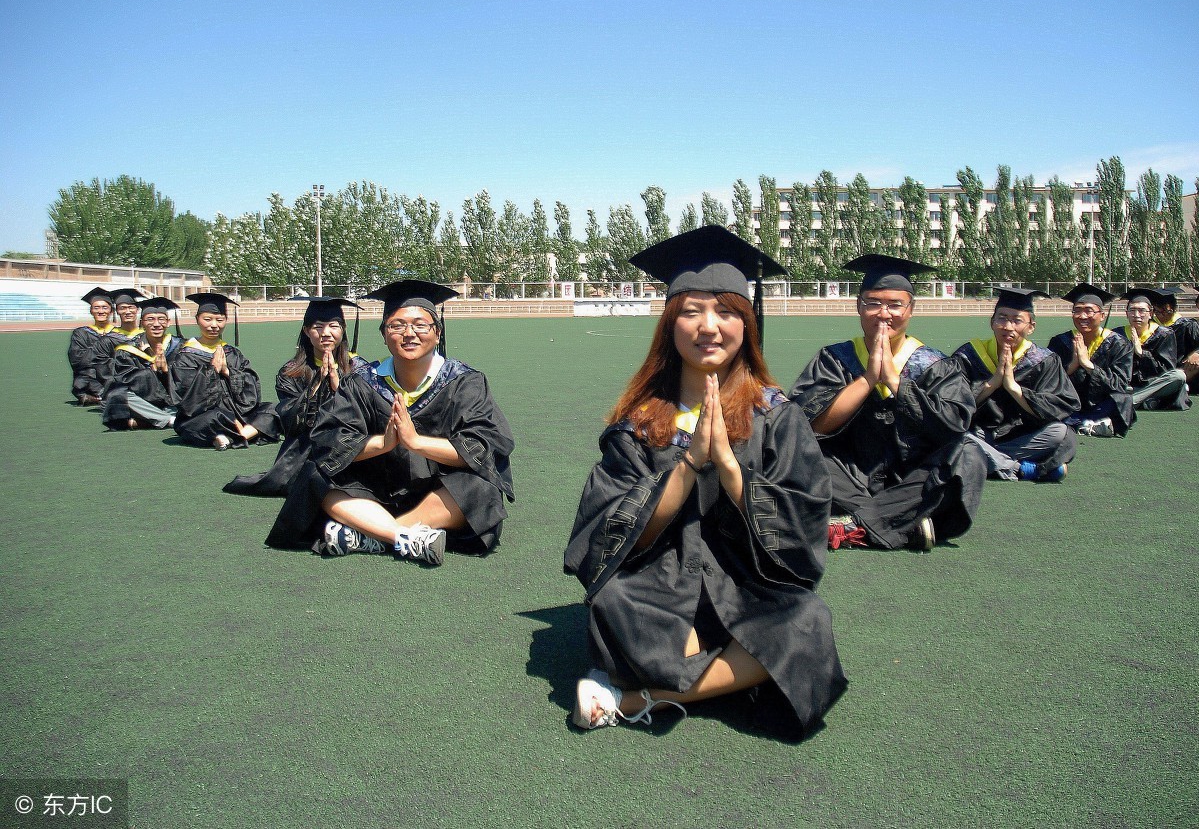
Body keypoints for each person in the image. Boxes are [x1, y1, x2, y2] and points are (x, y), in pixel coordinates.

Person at [565, 225, 846, 739]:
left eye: (726, 312)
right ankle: (723, 675)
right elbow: (605, 535)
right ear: (670, 327)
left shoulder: (778, 419)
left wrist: (731, 469)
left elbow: (801, 538)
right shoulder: (641, 422)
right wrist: (691, 463)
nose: (709, 326)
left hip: (746, 585)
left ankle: (632, 697)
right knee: (614, 603)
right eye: (691, 312)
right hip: (659, 584)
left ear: (748, 324)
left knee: (806, 625)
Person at [265, 280, 515, 565]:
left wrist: (416, 443)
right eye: (397, 326)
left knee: (481, 489)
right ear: (384, 334)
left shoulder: (465, 383)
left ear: (437, 332)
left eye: (420, 325)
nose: (409, 334)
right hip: (372, 492)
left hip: (438, 494)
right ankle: (402, 537)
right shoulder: (362, 382)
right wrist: (383, 443)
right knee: (314, 474)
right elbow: (329, 443)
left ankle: (371, 535)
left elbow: (485, 448)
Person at [789, 253, 985, 552]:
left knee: (968, 451)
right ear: (858, 306)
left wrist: (896, 382)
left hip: (914, 482)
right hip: (849, 479)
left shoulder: (934, 365)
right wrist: (868, 380)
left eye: (895, 304)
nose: (884, 313)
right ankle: (904, 524)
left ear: (911, 309)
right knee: (795, 446)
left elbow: (951, 426)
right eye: (873, 303)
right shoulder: (834, 359)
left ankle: (856, 526)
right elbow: (808, 424)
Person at [224, 296, 365, 497]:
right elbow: (291, 421)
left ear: (343, 330)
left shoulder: (358, 368)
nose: (326, 333)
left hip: (351, 445)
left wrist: (339, 388)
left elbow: (367, 417)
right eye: (318, 327)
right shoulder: (290, 372)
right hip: (307, 448)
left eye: (334, 326)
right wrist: (317, 384)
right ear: (307, 331)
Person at [952, 287, 1079, 482]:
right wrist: (992, 384)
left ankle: (986, 458)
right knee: (954, 437)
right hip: (977, 433)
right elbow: (951, 406)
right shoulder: (969, 355)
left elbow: (1059, 407)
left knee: (1061, 433)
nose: (1008, 326)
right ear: (992, 322)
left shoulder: (1043, 360)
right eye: (1002, 318)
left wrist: (1014, 388)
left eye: (1017, 320)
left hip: (1021, 438)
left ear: (1031, 327)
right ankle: (1020, 469)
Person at [172, 292, 274, 449]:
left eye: (220, 320)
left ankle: (232, 436)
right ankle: (244, 433)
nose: (214, 325)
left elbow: (251, 387)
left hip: (236, 411)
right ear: (197, 320)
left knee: (273, 409)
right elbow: (186, 398)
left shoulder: (231, 352)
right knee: (211, 419)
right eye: (207, 319)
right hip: (203, 415)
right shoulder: (185, 356)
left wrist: (227, 372)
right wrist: (211, 370)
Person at [1048, 283, 1136, 438]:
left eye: (1089, 311)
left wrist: (1089, 366)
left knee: (1123, 399)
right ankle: (1090, 425)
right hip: (1069, 404)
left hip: (1102, 404)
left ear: (1102, 316)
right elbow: (1049, 382)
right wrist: (1073, 365)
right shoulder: (1061, 341)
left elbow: (1120, 384)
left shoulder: (1118, 344)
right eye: (1077, 310)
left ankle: (1079, 424)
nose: (1082, 316)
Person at [101, 297, 183, 430]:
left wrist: (167, 370)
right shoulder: (128, 349)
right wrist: (153, 371)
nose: (156, 324)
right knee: (117, 395)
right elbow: (124, 379)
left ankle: (149, 420)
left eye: (161, 319)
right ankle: (168, 419)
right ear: (142, 323)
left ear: (168, 322)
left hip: (171, 400)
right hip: (143, 401)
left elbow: (186, 380)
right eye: (150, 319)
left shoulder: (180, 346)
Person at [1121, 289, 1190, 411]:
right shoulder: (1117, 334)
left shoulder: (1164, 334)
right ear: (1126, 314)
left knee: (1178, 376)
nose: (1137, 315)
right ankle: (1144, 401)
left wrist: (1142, 353)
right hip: (1127, 386)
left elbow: (1166, 369)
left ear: (1151, 313)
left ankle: (1128, 403)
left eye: (1142, 311)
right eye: (1132, 310)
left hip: (1154, 384)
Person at [1151, 288, 1199, 395]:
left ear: (1174, 309)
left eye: (1166, 311)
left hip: (1181, 366)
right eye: (1157, 311)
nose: (1161, 315)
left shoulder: (1187, 325)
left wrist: (1197, 354)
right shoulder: (1150, 325)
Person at [67, 287, 117, 404]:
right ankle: (103, 397)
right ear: (91, 311)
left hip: (114, 375)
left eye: (105, 307)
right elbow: (77, 359)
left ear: (111, 311)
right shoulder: (81, 333)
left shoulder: (117, 333)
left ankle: (98, 398)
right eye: (96, 307)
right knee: (83, 380)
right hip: (91, 376)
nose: (101, 311)